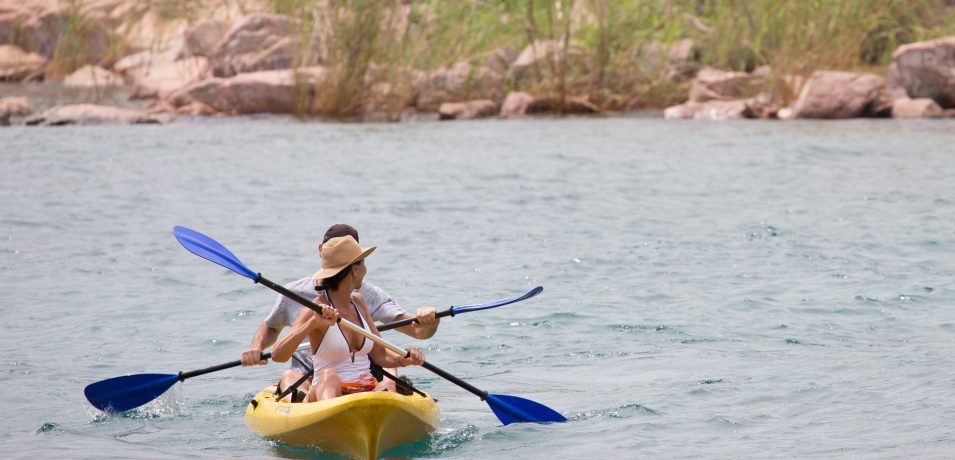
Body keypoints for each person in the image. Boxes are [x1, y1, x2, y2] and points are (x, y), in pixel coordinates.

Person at [240, 224, 439, 395]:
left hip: (363, 379)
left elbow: (391, 347)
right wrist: (257, 347)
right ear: (354, 268)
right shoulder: (304, 300)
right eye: (363, 262)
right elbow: (276, 349)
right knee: (312, 377)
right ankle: (299, 400)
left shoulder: (361, 300)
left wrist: (409, 354)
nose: (366, 268)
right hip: (319, 380)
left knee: (389, 379)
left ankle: (386, 399)